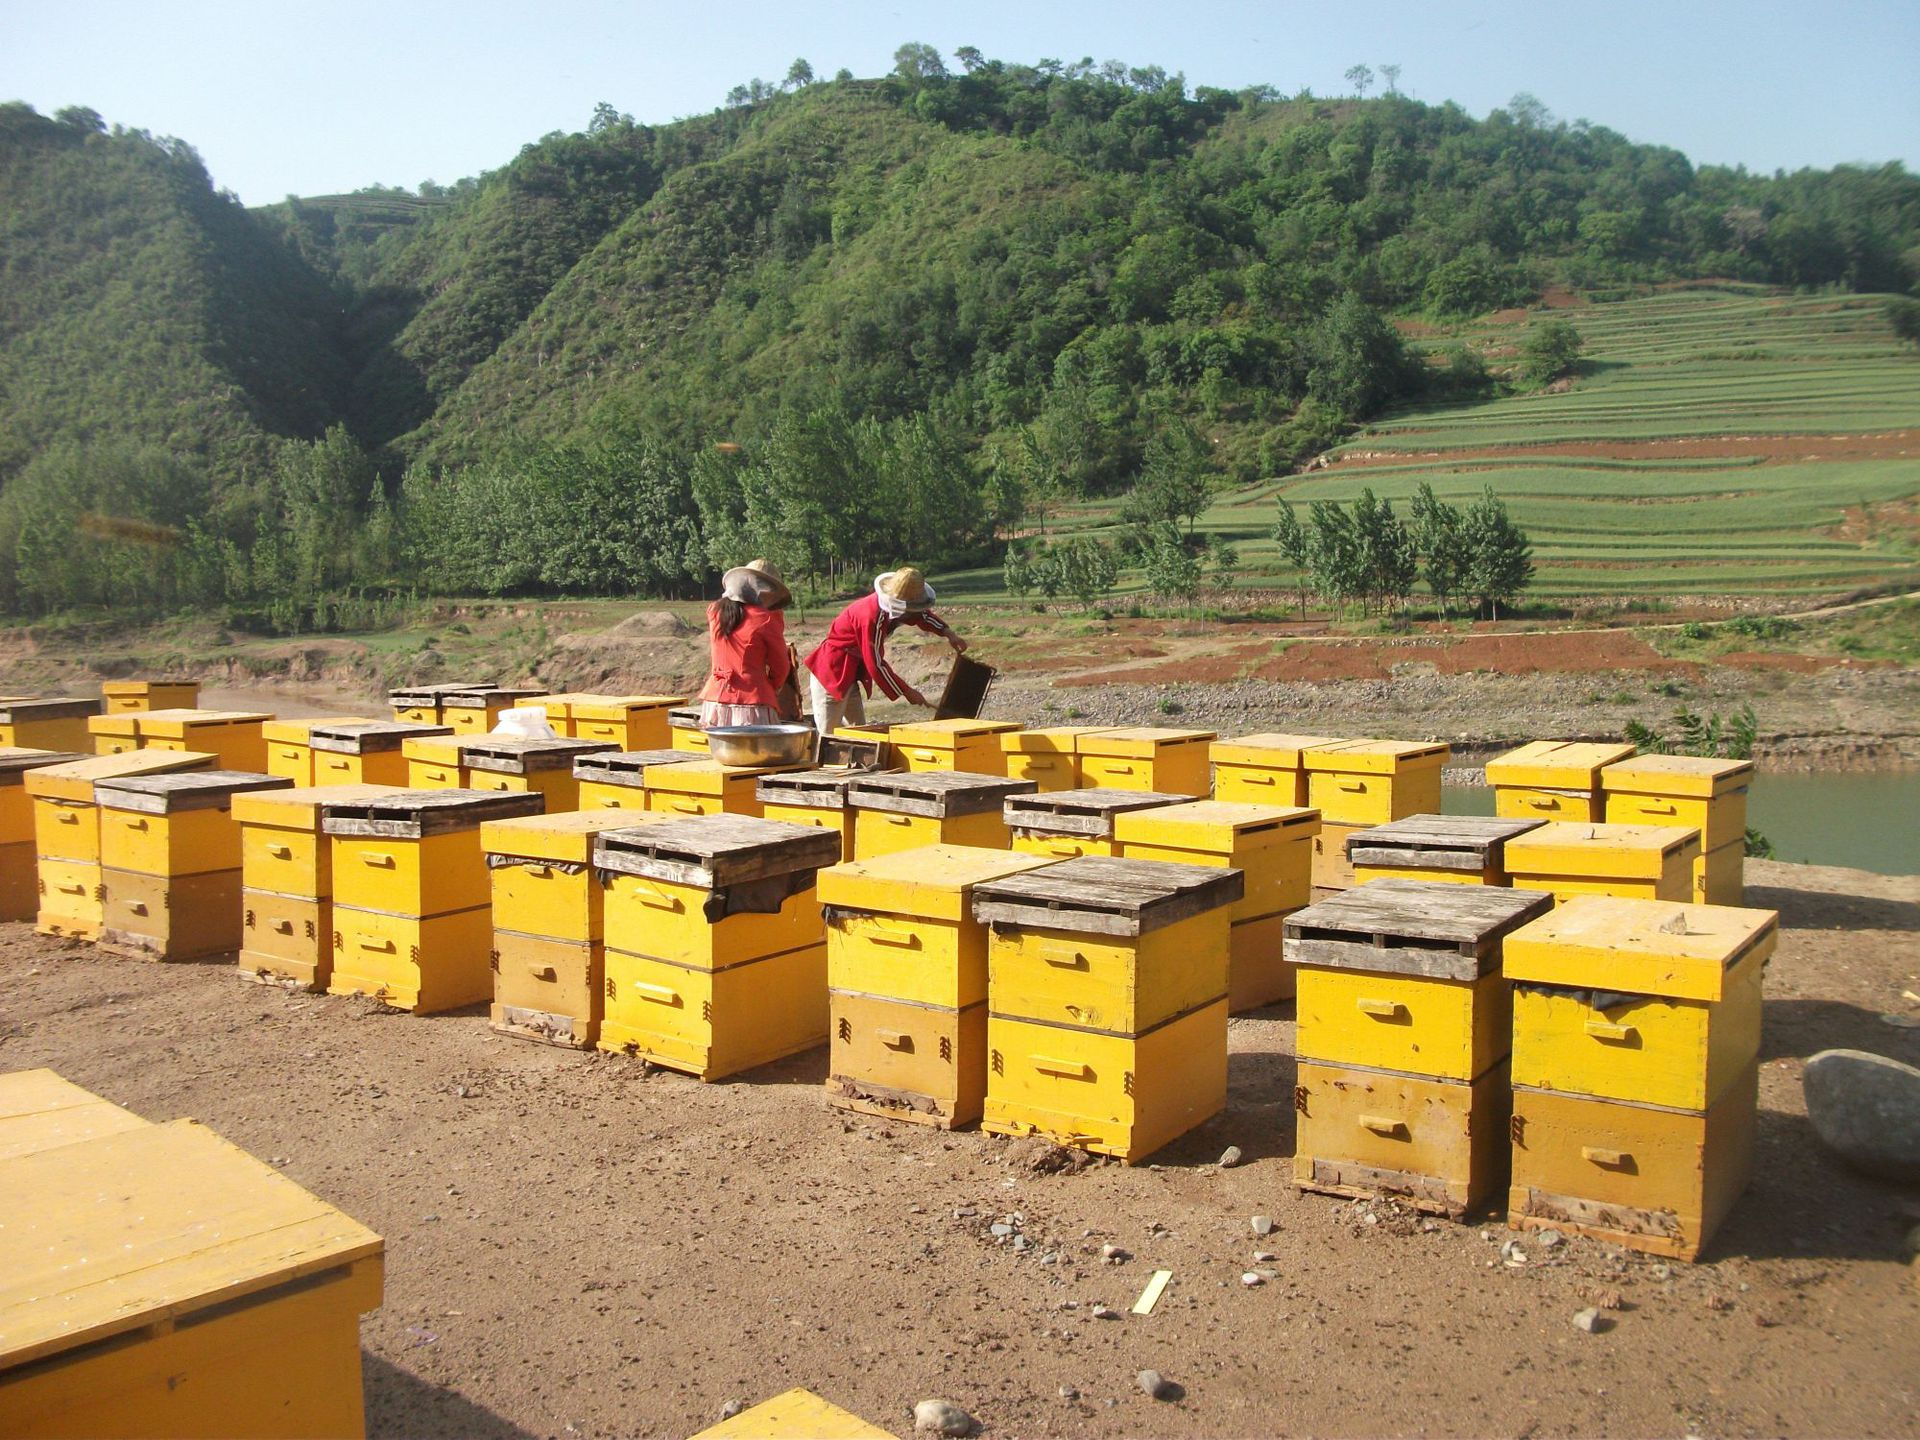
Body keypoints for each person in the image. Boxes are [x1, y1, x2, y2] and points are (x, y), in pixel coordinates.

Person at [804, 567, 967, 737]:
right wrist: (906, 691)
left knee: (858, 733)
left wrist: (949, 633)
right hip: (832, 672)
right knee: (828, 734)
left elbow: (922, 616)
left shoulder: (900, 609)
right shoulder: (870, 617)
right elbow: (875, 663)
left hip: (851, 672)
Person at [698, 559, 795, 728]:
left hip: (715, 700)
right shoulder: (766, 617)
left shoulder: (715, 611)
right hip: (752, 702)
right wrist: (770, 687)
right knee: (754, 746)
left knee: (719, 746)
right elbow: (780, 665)